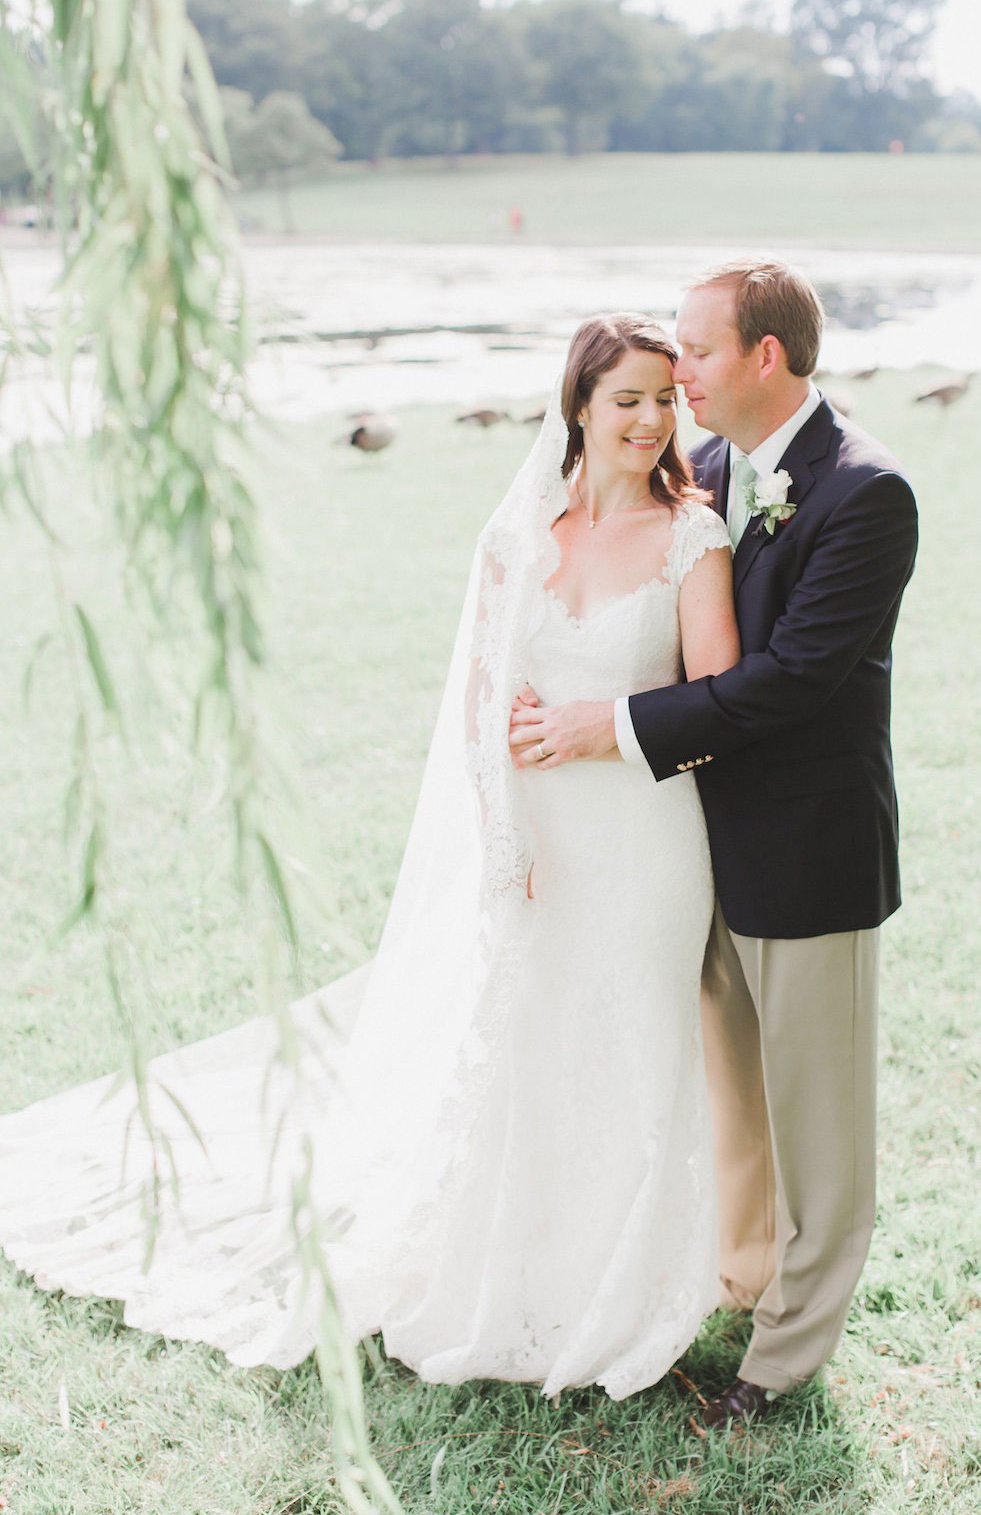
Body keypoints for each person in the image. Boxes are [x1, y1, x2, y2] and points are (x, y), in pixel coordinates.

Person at [0, 315, 739, 1401]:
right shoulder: (517, 537)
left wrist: (600, 716)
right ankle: (514, 1271)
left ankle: (615, 1290)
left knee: (630, 1043)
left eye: (663, 399)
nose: (647, 420)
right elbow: (481, 702)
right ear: (577, 405)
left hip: (645, 840)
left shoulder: (694, 538)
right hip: (535, 838)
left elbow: (715, 704)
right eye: (625, 398)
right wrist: (504, 837)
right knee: (528, 1049)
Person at [510, 260, 919, 1425]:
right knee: (734, 1098)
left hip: (807, 851)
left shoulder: (864, 493)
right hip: (685, 851)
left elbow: (786, 684)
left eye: (692, 351)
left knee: (817, 1121)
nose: (675, 373)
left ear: (763, 358)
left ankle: (784, 1361)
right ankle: (743, 1282)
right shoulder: (707, 471)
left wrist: (612, 725)